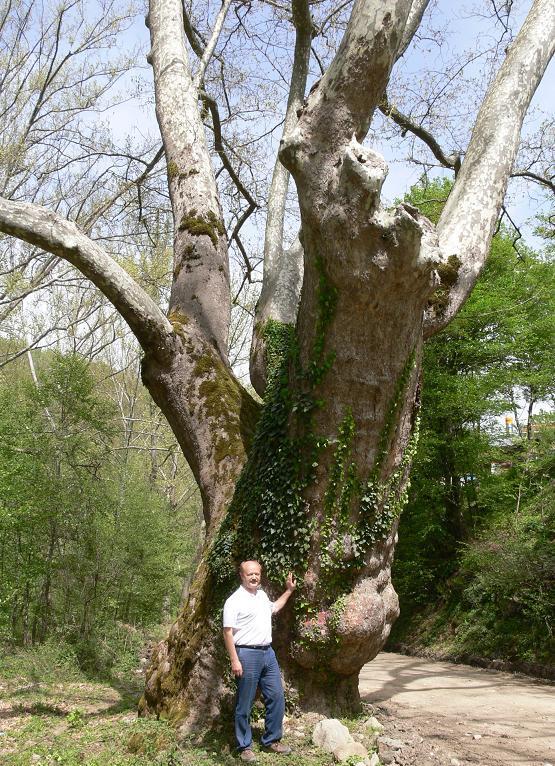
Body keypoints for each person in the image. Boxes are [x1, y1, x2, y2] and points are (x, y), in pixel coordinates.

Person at [223, 560, 296, 762]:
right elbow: (227, 632)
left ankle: (271, 740)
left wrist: (289, 591)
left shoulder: (262, 596)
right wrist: (234, 660)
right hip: (246, 654)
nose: (254, 577)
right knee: (244, 703)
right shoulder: (234, 600)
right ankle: (244, 746)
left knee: (276, 696)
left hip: (268, 653)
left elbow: (275, 608)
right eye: (250, 574)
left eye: (257, 574)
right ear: (242, 575)